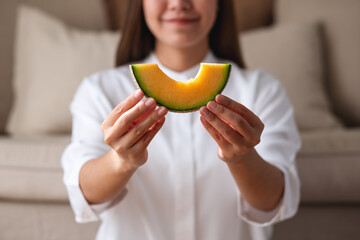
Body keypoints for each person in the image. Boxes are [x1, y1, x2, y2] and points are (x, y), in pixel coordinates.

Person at [61, 0, 301, 239]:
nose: (178, 3)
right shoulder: (99, 90)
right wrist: (121, 161)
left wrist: (243, 159)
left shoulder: (262, 90)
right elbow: (84, 193)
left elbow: (274, 201)